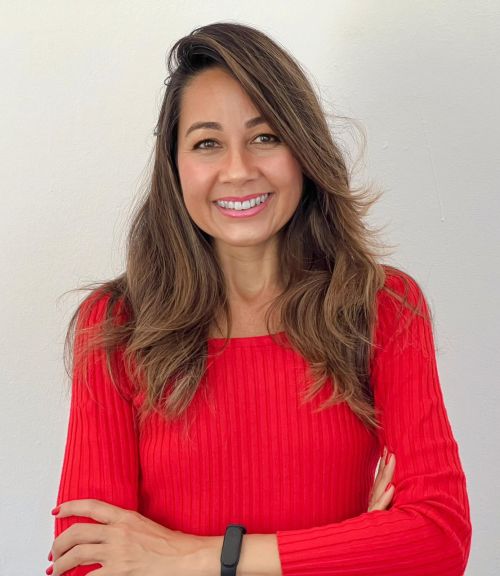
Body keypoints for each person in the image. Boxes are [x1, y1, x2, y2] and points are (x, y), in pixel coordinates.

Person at [47, 22, 471, 576]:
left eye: (265, 137)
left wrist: (195, 556)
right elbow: (85, 562)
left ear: (303, 150)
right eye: (207, 143)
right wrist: (354, 548)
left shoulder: (382, 307)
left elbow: (439, 538)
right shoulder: (117, 324)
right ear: (175, 167)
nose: (239, 170)